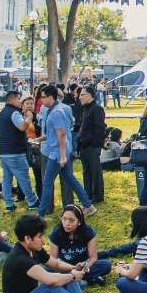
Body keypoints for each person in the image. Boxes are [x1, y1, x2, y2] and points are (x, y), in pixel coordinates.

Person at [1, 212, 123, 293]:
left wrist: (74, 268)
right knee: (51, 287)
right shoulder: (19, 258)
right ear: (27, 238)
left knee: (66, 274)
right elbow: (49, 280)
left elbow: (56, 264)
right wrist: (73, 276)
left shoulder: (33, 249)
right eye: (40, 236)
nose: (43, 240)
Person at [36, 84, 95, 218]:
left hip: (57, 153)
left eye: (43, 97)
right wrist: (41, 139)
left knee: (47, 182)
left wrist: (62, 156)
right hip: (60, 151)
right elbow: (55, 133)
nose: (41, 100)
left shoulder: (56, 112)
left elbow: (61, 134)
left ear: (50, 97)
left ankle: (40, 213)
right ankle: (88, 205)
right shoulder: (54, 110)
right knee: (70, 178)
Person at [0, 88, 36, 210]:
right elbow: (22, 127)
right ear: (12, 100)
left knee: (7, 179)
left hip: (3, 151)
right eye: (19, 99)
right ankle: (32, 201)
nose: (20, 102)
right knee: (24, 177)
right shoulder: (15, 113)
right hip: (15, 151)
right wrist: (29, 118)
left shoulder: (2, 113)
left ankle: (8, 204)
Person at [48, 204, 112, 282]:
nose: (67, 223)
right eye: (64, 219)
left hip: (83, 265)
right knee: (48, 269)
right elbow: (53, 260)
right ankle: (86, 279)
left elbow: (93, 258)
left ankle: (73, 279)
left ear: (79, 221)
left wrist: (85, 268)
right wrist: (73, 269)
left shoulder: (88, 231)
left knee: (106, 265)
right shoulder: (56, 233)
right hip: (63, 267)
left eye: (71, 220)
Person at [76, 84, 107, 205]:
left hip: (92, 146)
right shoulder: (85, 109)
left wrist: (95, 144)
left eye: (82, 95)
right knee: (86, 171)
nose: (80, 97)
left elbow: (100, 128)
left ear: (89, 95)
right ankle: (87, 194)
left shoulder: (96, 109)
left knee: (95, 171)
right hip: (84, 145)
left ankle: (98, 195)